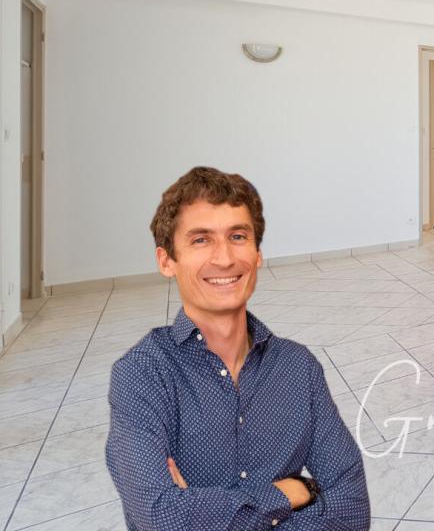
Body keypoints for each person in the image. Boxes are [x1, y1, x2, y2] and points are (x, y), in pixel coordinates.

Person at [106, 166, 371, 530]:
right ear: (166, 261)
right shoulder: (142, 375)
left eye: (238, 236)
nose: (225, 258)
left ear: (257, 253)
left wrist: (203, 513)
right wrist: (290, 494)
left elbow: (352, 510)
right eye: (201, 240)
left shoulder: (299, 367)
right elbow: (161, 517)